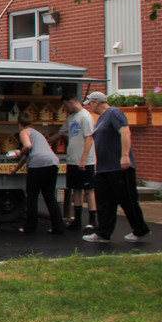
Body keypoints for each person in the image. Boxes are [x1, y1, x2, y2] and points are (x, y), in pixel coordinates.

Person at [82, 92, 150, 244]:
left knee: (127, 200)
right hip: (104, 169)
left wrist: (125, 156)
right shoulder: (100, 119)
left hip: (118, 168)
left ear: (96, 103)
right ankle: (103, 233)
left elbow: (125, 132)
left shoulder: (114, 113)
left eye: (90, 104)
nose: (90, 107)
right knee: (105, 202)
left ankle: (141, 230)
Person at [10, 113, 66, 235]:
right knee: (50, 196)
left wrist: (18, 153)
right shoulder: (38, 134)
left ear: (19, 124)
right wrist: (16, 169)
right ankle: (58, 227)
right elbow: (28, 154)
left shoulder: (24, 132)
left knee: (32, 196)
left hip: (38, 165)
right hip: (53, 163)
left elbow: (27, 147)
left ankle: (30, 227)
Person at [60, 93, 97, 232]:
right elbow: (61, 132)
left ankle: (92, 221)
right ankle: (77, 219)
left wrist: (83, 159)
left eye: (66, 104)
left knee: (88, 190)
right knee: (76, 189)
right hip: (73, 160)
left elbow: (89, 138)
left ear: (72, 101)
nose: (65, 108)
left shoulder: (85, 116)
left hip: (85, 161)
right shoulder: (71, 117)